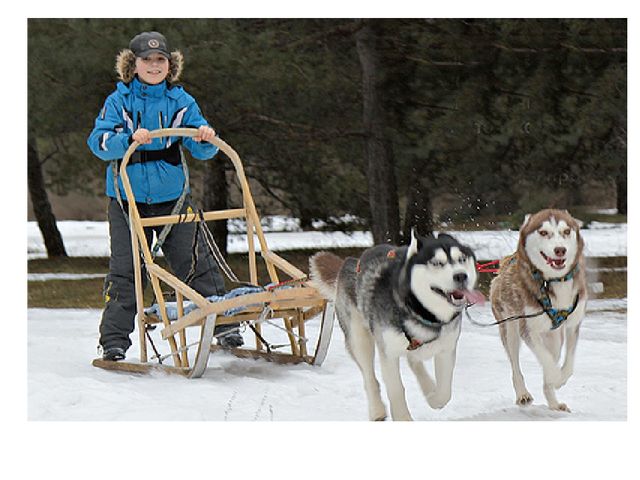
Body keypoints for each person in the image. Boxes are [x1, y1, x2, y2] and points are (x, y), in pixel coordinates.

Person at [87, 31, 243, 361]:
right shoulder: (119, 101)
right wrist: (129, 138)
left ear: (169, 65)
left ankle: (224, 323)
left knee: (195, 261)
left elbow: (203, 151)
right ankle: (114, 339)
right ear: (134, 65)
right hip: (127, 200)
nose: (154, 66)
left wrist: (205, 137)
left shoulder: (181, 101)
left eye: (160, 60)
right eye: (147, 60)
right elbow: (98, 142)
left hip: (173, 197)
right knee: (128, 269)